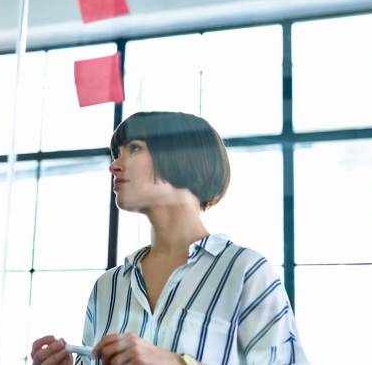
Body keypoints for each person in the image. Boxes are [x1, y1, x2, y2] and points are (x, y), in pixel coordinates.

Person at [30, 112, 308, 365]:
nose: (113, 165)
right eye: (116, 153)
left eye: (134, 149)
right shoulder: (107, 287)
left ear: (182, 155)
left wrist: (177, 363)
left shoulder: (246, 271)